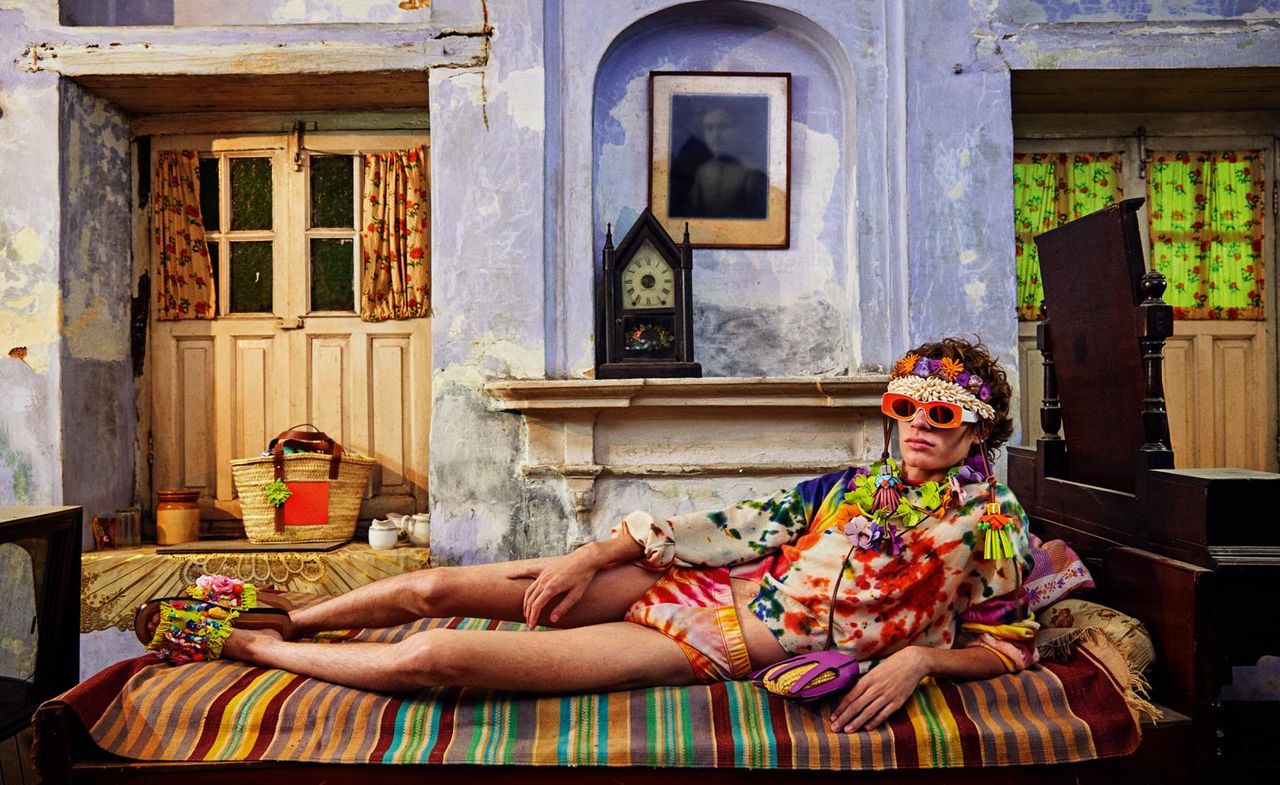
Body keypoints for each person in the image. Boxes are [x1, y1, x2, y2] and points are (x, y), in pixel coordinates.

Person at [137, 337, 1037, 734]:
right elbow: (734, 528)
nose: (918, 422)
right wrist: (600, 549)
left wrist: (922, 659)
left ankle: (252, 645)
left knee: (438, 652)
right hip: (704, 586)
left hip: (726, 642)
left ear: (978, 430)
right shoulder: (853, 486)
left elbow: (1010, 642)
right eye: (906, 404)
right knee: (433, 588)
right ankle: (291, 617)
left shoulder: (990, 523)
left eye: (943, 411)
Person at [684, 107, 768, 219]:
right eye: (709, 128)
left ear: (739, 130)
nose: (715, 135)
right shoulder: (703, 172)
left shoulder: (754, 172)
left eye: (723, 127)